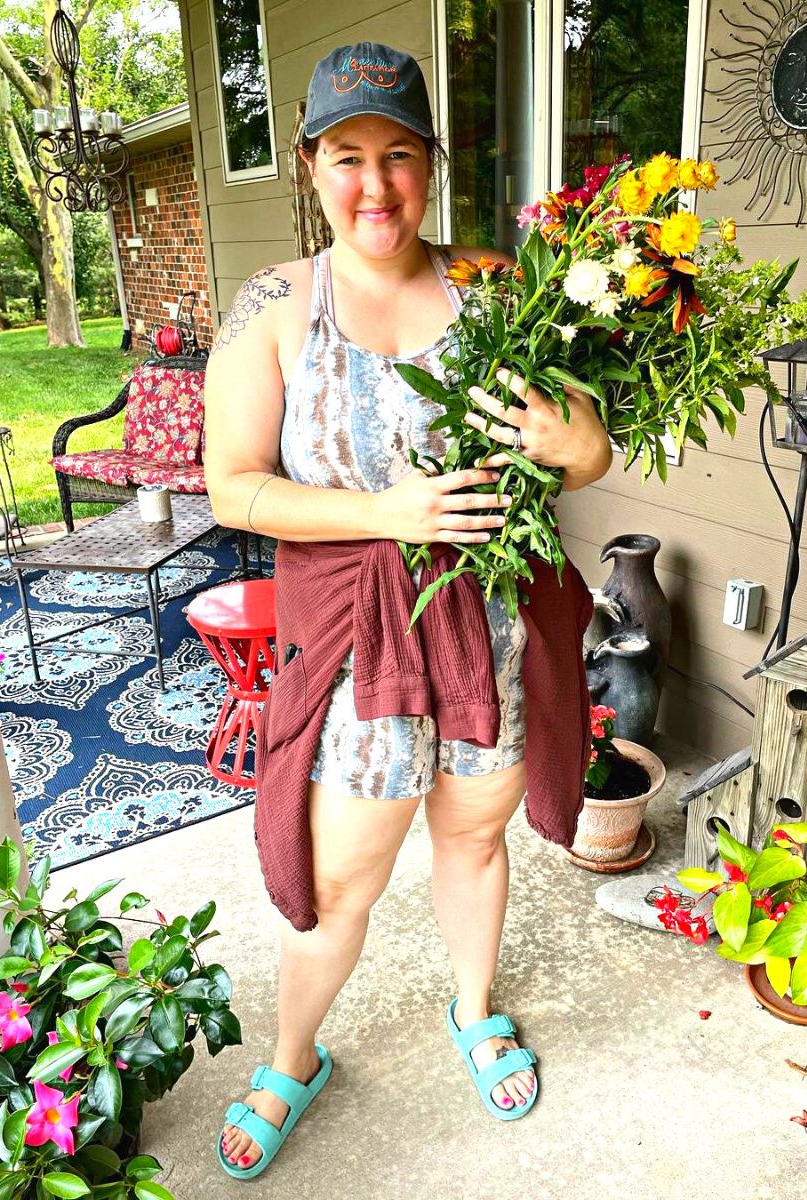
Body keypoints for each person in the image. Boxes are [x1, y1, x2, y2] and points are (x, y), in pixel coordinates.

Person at [204, 41, 613, 1179]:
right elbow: (233, 483)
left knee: (475, 836)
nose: (374, 185)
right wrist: (389, 511)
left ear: (430, 164)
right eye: (347, 158)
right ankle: (292, 1057)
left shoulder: (493, 290)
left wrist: (569, 442)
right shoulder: (275, 307)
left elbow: (587, 449)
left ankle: (473, 1008)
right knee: (344, 878)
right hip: (357, 646)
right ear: (308, 166)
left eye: (398, 156)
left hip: (483, 625)